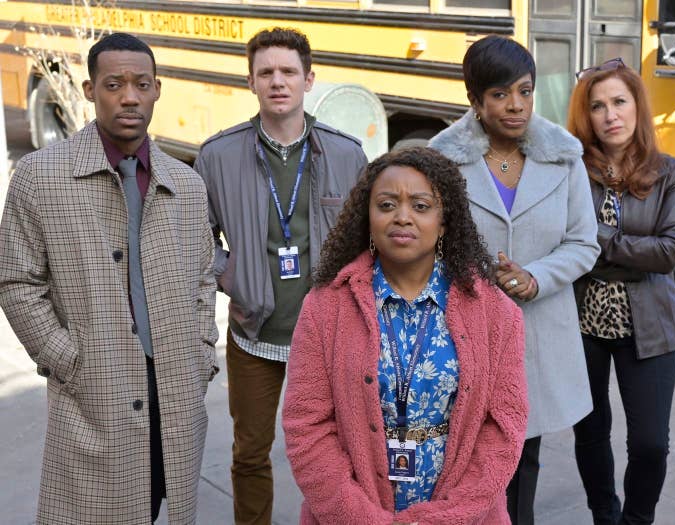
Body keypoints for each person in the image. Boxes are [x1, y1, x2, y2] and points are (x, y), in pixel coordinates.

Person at [0, 33, 219, 524]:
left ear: (158, 90)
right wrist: (66, 359)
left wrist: (202, 353)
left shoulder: (185, 183)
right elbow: (16, 279)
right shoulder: (41, 175)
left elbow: (205, 276)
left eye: (142, 84)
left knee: (161, 502)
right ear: (88, 89)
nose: (129, 97)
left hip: (176, 388)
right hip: (93, 391)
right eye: (114, 84)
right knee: (93, 511)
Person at [282, 147, 528, 524]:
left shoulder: (495, 313)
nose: (402, 217)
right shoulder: (325, 307)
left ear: (444, 221)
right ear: (367, 217)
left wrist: (445, 518)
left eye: (421, 206)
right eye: (386, 205)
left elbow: (504, 430)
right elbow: (307, 428)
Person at [194, 27, 366, 524]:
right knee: (250, 455)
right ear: (250, 82)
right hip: (254, 332)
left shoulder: (346, 154)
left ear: (308, 80)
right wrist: (230, 276)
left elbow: (367, 241)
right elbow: (196, 237)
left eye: (288, 71)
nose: (277, 81)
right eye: (265, 72)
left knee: (345, 452)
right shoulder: (217, 156)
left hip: (332, 333)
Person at [430, 35, 600, 525]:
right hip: (465, 333)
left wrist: (535, 277)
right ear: (475, 100)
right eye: (500, 94)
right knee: (462, 460)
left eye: (524, 91)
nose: (516, 105)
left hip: (538, 337)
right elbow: (429, 244)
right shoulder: (441, 162)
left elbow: (584, 242)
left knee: (522, 458)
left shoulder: (563, 157)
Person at [567, 58, 675, 525]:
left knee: (651, 444)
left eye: (619, 102)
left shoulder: (672, 173)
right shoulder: (573, 170)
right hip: (581, 323)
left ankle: (637, 520)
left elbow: (668, 253)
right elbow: (562, 240)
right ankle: (604, 514)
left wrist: (594, 237)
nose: (609, 115)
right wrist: (623, 247)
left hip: (652, 325)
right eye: (597, 106)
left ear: (637, 107)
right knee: (591, 432)